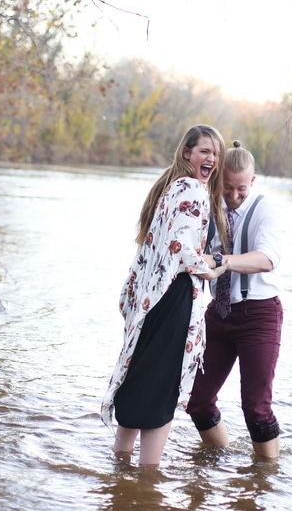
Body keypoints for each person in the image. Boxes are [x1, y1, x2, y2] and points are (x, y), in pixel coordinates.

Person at [100, 124, 231, 467]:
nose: (211, 159)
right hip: (173, 298)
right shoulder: (194, 190)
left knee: (140, 375)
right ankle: (148, 478)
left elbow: (155, 248)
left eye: (215, 153)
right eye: (205, 150)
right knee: (164, 388)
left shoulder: (169, 185)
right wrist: (215, 264)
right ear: (187, 152)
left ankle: (120, 468)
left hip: (152, 297)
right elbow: (183, 252)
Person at [186, 140, 285, 459]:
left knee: (256, 409)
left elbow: (267, 258)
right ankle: (220, 459)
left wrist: (224, 260)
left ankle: (265, 479)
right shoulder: (208, 204)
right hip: (220, 314)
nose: (233, 195)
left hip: (259, 316)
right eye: (227, 187)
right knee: (197, 401)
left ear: (252, 182)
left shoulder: (265, 208)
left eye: (241, 188)